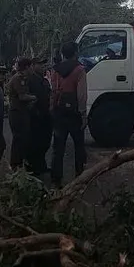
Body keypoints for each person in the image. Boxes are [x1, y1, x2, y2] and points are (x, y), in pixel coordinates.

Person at [50, 42, 89, 187]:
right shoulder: (80, 70)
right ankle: (80, 177)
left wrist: (52, 109)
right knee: (79, 145)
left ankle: (56, 179)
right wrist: (83, 114)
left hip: (59, 112)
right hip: (74, 114)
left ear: (63, 54)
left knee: (58, 148)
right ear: (75, 53)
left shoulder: (55, 70)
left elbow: (53, 92)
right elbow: (81, 95)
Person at [6, 58, 37, 170]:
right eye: (31, 66)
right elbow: (22, 96)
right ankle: (15, 164)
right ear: (27, 67)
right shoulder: (18, 78)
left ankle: (20, 163)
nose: (32, 68)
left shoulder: (23, 78)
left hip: (22, 112)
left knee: (23, 138)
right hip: (17, 113)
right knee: (19, 139)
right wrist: (35, 97)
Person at [26, 57, 53, 176]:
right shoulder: (30, 80)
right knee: (35, 142)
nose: (43, 66)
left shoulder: (44, 81)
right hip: (35, 116)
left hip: (46, 115)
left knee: (45, 142)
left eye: (43, 64)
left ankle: (41, 165)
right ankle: (32, 167)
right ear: (33, 66)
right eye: (40, 64)